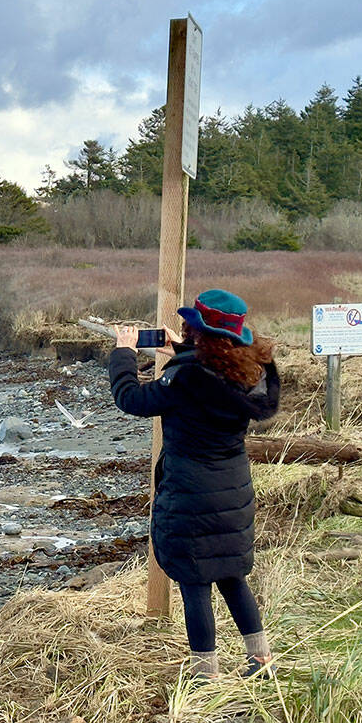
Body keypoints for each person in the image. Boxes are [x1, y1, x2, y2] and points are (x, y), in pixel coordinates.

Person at [108, 289, 281, 680]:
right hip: (233, 491)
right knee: (233, 577)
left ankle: (207, 677)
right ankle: (262, 661)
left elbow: (132, 398)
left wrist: (123, 351)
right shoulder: (245, 372)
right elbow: (204, 380)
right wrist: (182, 351)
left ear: (198, 331)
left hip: (191, 494)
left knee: (195, 584)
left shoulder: (187, 377)